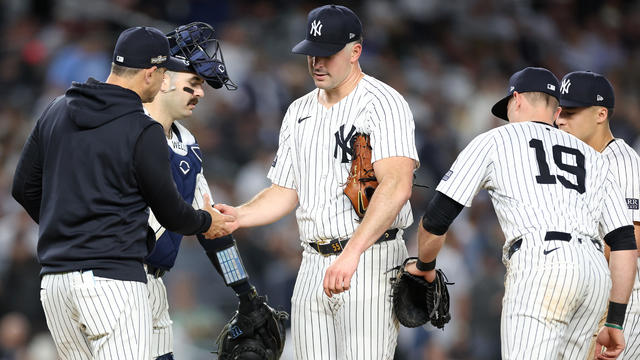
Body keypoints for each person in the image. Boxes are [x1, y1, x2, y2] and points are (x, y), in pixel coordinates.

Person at [11, 26, 233, 360]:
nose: (162, 83)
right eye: (162, 73)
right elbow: (171, 212)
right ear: (150, 73)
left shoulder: (56, 109)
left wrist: (71, 226)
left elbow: (23, 187)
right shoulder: (142, 128)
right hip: (112, 282)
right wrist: (205, 221)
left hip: (56, 284)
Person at [215, 5, 419, 359]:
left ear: (355, 51)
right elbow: (285, 191)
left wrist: (352, 253)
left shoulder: (383, 103)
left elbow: (397, 187)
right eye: (312, 53)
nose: (317, 62)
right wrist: (237, 215)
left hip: (370, 258)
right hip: (311, 262)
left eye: (327, 54)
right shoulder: (298, 111)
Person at [406, 67, 637, 360]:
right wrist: (615, 320)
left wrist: (425, 265)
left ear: (516, 100)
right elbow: (625, 243)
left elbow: (437, 218)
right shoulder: (593, 157)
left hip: (542, 264)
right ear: (555, 111)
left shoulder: (496, 139)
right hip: (594, 274)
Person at [140, 22, 254, 360]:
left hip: (152, 284)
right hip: (112, 277)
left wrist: (245, 292)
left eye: (201, 85)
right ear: (162, 82)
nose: (200, 93)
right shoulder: (124, 129)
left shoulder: (186, 143)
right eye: (193, 84)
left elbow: (213, 227)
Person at [555, 71, 640, 359]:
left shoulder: (621, 162)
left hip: (619, 299)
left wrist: (608, 314)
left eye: (571, 112)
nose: (560, 120)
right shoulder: (578, 161)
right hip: (590, 292)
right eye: (560, 111)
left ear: (600, 113)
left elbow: (631, 238)